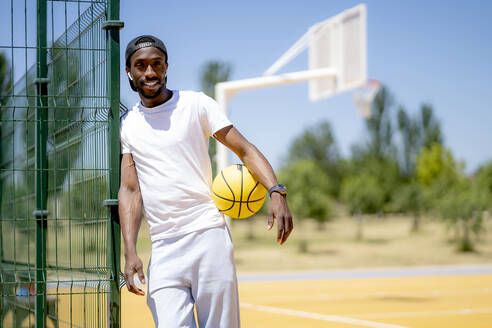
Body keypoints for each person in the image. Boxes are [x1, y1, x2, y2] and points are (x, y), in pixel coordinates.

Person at [118, 35, 293, 328]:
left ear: (166, 67)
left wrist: (276, 191)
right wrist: (130, 250)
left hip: (208, 236)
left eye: (156, 64)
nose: (149, 72)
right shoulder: (128, 125)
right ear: (129, 72)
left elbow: (245, 149)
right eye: (141, 66)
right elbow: (130, 190)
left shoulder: (195, 104)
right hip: (163, 247)